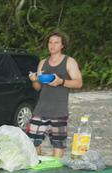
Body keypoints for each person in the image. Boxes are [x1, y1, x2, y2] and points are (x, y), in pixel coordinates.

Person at [26, 30, 83, 158]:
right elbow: (38, 88)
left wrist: (61, 81)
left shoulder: (69, 61)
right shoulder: (43, 63)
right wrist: (34, 80)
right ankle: (36, 168)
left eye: (56, 42)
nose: (52, 45)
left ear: (62, 45)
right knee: (32, 142)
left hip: (59, 111)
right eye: (50, 42)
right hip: (40, 110)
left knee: (58, 144)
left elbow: (79, 83)